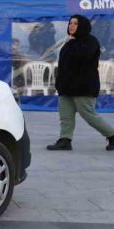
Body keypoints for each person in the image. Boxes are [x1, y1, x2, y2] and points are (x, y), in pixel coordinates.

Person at [47, 15, 114, 151]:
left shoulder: (90, 41)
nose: (71, 25)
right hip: (66, 87)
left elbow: (82, 55)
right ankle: (65, 140)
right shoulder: (70, 41)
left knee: (88, 115)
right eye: (70, 23)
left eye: (75, 23)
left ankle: (112, 135)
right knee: (65, 115)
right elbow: (65, 64)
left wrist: (70, 43)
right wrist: (60, 84)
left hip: (84, 87)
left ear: (82, 26)